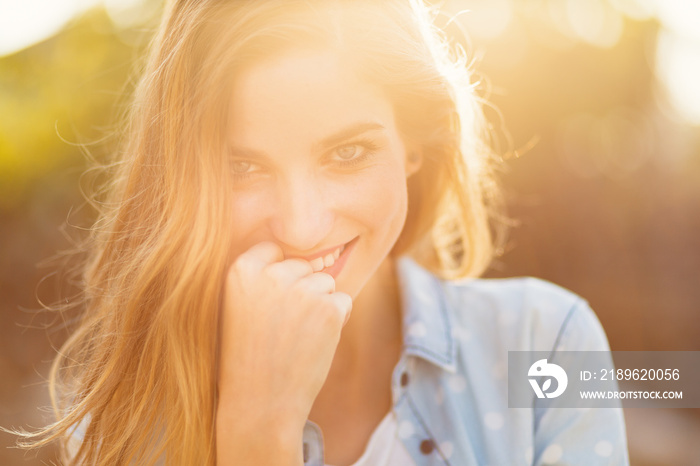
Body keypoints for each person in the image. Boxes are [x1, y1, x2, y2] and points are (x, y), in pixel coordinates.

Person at [13, 0, 629, 464]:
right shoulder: (124, 423)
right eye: (242, 167)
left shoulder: (548, 341)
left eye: (349, 153)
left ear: (414, 144)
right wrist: (258, 431)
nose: (302, 226)